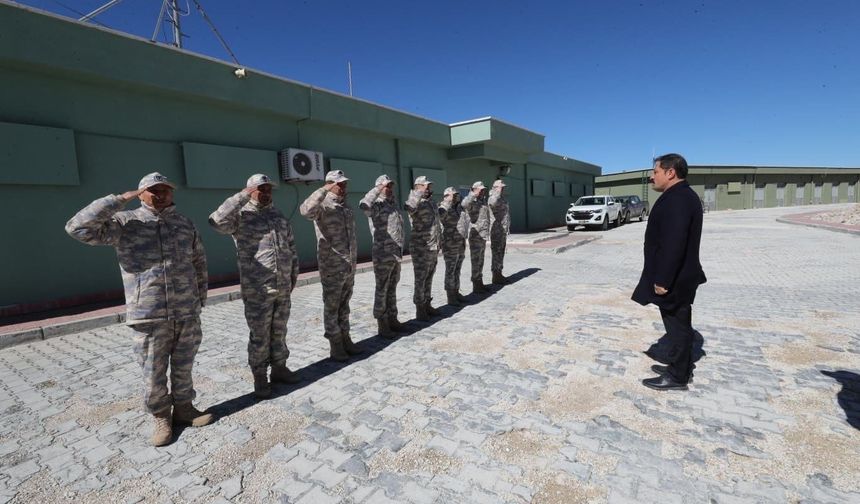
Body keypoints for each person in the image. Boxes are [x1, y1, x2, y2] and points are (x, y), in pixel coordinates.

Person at [65, 172, 212, 446]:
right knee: (153, 371)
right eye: (153, 190)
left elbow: (199, 262)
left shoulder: (184, 224)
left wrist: (199, 298)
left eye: (165, 190)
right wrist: (117, 200)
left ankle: (185, 409)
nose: (160, 195)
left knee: (184, 365)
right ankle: (161, 417)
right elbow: (77, 228)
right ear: (140, 193)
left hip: (186, 311)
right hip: (148, 312)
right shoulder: (124, 222)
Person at [208, 174, 301, 399]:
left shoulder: (277, 215)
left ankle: (279, 368)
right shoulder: (241, 216)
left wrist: (293, 274)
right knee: (259, 334)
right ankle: (260, 377)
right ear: (250, 190)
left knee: (279, 331)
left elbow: (291, 246)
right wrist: (242, 196)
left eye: (269, 189)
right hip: (257, 288)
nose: (266, 193)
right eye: (261, 189)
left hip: (282, 285)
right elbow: (216, 221)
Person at [632, 154, 707, 391]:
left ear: (670, 172)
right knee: (676, 325)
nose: (651, 177)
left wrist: (663, 279)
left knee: (678, 326)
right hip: (678, 275)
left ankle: (677, 376)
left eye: (655, 171)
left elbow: (674, 242)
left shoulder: (679, 199)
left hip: (675, 278)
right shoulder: (680, 195)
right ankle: (678, 366)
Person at [300, 170, 359, 361]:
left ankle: (345, 338)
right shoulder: (322, 205)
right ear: (330, 184)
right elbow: (305, 210)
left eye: (345, 183)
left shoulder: (345, 206)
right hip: (331, 265)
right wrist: (323, 189)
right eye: (339, 184)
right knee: (332, 306)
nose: (343, 187)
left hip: (348, 264)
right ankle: (335, 345)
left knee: (345, 305)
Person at [359, 174, 406, 338]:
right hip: (382, 253)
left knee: (392, 288)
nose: (390, 189)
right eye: (387, 186)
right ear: (379, 187)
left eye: (391, 186)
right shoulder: (376, 205)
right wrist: (378, 189)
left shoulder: (392, 205)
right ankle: (382, 322)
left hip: (395, 253)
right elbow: (364, 205)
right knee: (382, 289)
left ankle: (392, 318)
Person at [405, 176, 442, 321]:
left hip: (433, 245)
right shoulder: (414, 201)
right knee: (420, 278)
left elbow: (436, 223)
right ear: (417, 187)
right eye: (425, 186)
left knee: (429, 276)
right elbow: (410, 208)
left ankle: (427, 303)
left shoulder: (431, 202)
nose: (428, 189)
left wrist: (440, 241)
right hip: (421, 246)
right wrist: (417, 193)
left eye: (429, 187)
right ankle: (420, 308)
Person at [438, 187, 469, 306]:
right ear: (446, 196)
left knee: (457, 269)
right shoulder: (443, 208)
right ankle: (450, 295)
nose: (456, 196)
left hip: (460, 242)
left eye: (456, 194)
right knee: (450, 270)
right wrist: (448, 202)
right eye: (453, 195)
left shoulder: (459, 207)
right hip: (450, 243)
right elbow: (439, 217)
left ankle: (456, 291)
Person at [461, 181, 492, 294]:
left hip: (482, 234)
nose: (483, 191)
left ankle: (479, 282)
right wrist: (473, 194)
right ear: (474, 189)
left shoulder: (482, 200)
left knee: (481, 260)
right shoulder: (470, 199)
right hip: (475, 235)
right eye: (480, 190)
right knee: (475, 260)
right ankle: (475, 284)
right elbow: (464, 204)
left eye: (483, 190)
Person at [488, 179, 511, 285]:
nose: (503, 189)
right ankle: (495, 275)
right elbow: (492, 203)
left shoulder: (501, 198)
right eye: (501, 187)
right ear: (495, 188)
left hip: (502, 230)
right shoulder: (493, 197)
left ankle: (499, 273)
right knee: (496, 252)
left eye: (503, 187)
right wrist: (496, 193)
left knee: (501, 252)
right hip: (496, 230)